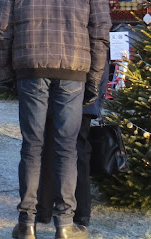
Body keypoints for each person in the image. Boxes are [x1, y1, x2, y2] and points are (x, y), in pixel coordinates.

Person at [0, 0, 110, 239]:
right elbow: (100, 32)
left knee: (32, 145)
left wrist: (3, 75)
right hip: (73, 69)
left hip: (31, 67)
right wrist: (94, 79)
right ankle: (64, 224)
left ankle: (27, 222)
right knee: (66, 146)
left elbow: (0, 27)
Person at [36, 57, 110, 228]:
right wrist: (96, 100)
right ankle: (81, 212)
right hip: (85, 98)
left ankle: (45, 209)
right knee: (79, 153)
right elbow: (101, 67)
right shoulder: (94, 43)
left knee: (50, 150)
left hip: (60, 95)